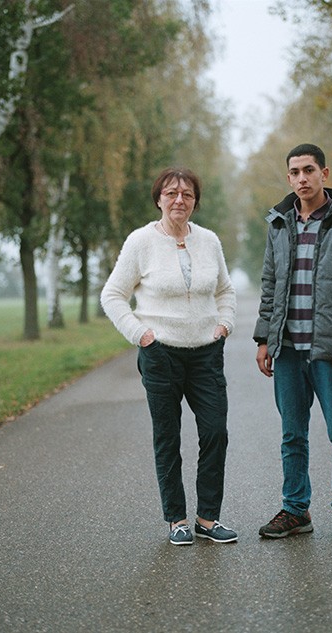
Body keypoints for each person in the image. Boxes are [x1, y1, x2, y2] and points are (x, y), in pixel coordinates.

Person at [100, 166, 238, 546]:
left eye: (188, 194)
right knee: (168, 437)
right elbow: (112, 295)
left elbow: (225, 290)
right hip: (161, 355)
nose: (180, 200)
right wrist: (141, 334)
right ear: (159, 198)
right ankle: (177, 520)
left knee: (215, 432)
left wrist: (224, 325)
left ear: (195, 201)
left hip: (206, 354)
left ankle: (208, 519)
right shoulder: (140, 242)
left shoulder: (209, 241)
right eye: (171, 193)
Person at [253, 143, 332, 543]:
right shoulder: (278, 222)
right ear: (288, 177)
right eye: (294, 172)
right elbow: (270, 285)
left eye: (309, 170)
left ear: (325, 172)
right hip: (288, 350)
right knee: (293, 434)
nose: (302, 178)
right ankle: (295, 510)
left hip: (331, 350)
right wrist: (263, 338)